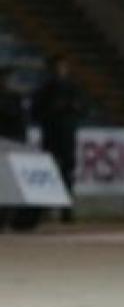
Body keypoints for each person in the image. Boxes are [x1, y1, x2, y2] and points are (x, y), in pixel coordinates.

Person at [33, 58, 83, 223]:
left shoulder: (73, 88)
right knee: (49, 172)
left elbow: (82, 108)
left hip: (67, 136)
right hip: (52, 135)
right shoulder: (45, 89)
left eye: (64, 67)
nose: (62, 70)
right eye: (59, 67)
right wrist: (53, 112)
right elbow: (36, 111)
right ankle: (45, 210)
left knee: (67, 173)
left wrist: (72, 111)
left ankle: (66, 210)